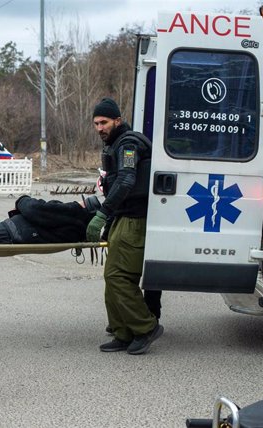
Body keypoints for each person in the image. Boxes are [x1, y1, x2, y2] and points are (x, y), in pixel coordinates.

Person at [86, 97, 162, 355]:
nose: (99, 128)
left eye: (104, 122)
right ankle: (122, 332)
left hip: (134, 220)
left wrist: (103, 213)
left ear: (117, 120)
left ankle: (145, 327)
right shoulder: (116, 144)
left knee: (120, 277)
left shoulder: (128, 144)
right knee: (112, 276)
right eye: (96, 123)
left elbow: (127, 180)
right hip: (122, 217)